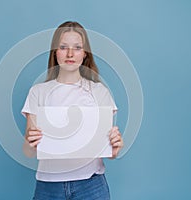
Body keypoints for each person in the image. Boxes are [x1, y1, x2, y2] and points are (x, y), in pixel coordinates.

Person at [21, 21, 123, 200]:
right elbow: (29, 152)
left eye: (77, 48)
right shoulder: (38, 92)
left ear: (85, 54)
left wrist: (115, 147)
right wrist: (30, 143)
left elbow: (109, 151)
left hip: (91, 185)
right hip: (49, 186)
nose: (70, 53)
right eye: (63, 47)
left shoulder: (99, 92)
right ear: (55, 52)